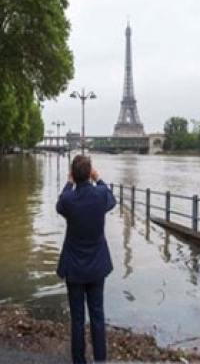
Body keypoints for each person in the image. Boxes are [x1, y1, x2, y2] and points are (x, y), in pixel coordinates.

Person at [56, 155, 116, 363]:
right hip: (97, 265)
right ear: (90, 172)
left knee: (77, 318)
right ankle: (100, 359)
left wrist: (68, 183)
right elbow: (112, 199)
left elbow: (59, 205)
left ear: (73, 174)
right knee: (98, 315)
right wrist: (98, 178)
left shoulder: (68, 200)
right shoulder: (100, 195)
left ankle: (79, 360)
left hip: (74, 266)